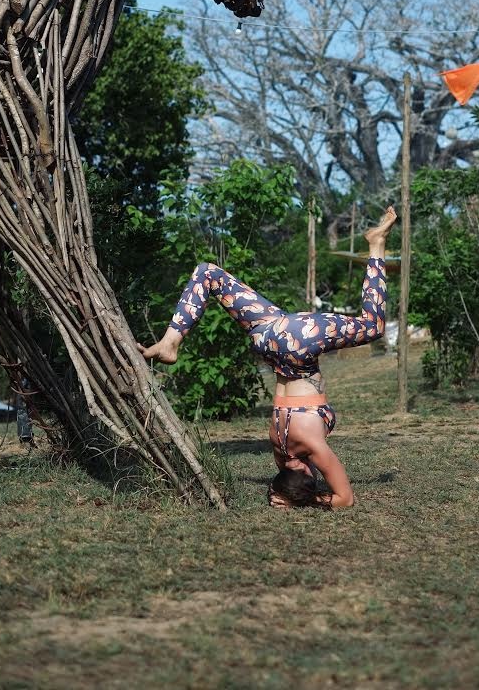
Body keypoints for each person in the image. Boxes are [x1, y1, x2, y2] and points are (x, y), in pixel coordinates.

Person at [138, 206, 397, 509]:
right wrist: (286, 492)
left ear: (302, 471)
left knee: (373, 326)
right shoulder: (279, 447)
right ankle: (170, 341)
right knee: (208, 273)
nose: (316, 471)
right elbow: (310, 484)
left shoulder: (311, 447)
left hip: (299, 342)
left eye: (311, 475)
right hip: (269, 339)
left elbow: (344, 498)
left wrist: (307, 499)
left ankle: (376, 243)